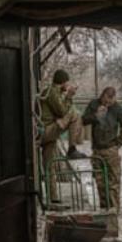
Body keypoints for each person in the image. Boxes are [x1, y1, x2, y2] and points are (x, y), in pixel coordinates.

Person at [39, 69, 86, 203]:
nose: (68, 85)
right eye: (67, 82)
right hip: (46, 131)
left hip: (47, 132)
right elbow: (63, 111)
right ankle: (72, 148)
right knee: (74, 114)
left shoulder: (55, 92)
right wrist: (69, 96)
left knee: (50, 166)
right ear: (63, 82)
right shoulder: (52, 92)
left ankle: (52, 198)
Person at [82, 87, 122, 214]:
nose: (107, 104)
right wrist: (96, 115)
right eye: (105, 101)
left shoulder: (117, 108)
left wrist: (118, 144)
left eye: (110, 102)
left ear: (114, 99)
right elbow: (84, 120)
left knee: (113, 183)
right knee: (100, 183)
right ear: (102, 96)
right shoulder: (94, 104)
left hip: (111, 149)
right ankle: (104, 211)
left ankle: (114, 213)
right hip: (97, 150)